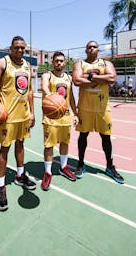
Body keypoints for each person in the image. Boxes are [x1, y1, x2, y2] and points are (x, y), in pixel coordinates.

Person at [0, 36, 36, 211]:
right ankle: (0, 186)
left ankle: (20, 176)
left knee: (21, 145)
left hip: (23, 115)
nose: (20, 51)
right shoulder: (2, 63)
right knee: (5, 149)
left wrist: (32, 113)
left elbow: (29, 91)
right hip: (7, 116)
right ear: (10, 48)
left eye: (23, 48)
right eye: (17, 48)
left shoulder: (27, 65)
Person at [72, 41, 124, 184]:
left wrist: (89, 77)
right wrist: (102, 79)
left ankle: (110, 166)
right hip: (84, 107)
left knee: (106, 138)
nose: (92, 48)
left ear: (98, 49)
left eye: (94, 46)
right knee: (83, 136)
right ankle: (80, 164)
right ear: (86, 50)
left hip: (103, 108)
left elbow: (112, 78)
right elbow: (76, 80)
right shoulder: (79, 64)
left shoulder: (106, 64)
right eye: (89, 47)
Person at [41, 51, 79, 190]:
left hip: (65, 116)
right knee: (49, 145)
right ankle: (48, 172)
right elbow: (44, 86)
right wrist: (50, 95)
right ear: (52, 62)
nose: (59, 63)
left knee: (64, 142)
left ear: (65, 63)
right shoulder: (47, 75)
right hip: (51, 116)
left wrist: (75, 113)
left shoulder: (69, 78)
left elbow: (72, 98)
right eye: (56, 60)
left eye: (61, 61)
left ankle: (63, 167)